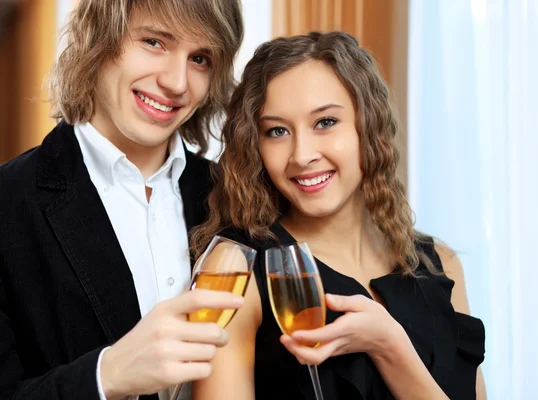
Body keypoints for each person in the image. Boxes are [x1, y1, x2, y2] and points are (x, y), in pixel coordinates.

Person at [191, 31, 486, 399]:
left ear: (368, 124)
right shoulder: (238, 269)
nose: (302, 154)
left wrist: (388, 345)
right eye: (277, 131)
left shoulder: (441, 263)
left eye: (325, 122)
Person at [0, 1, 243, 399]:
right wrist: (105, 376)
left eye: (200, 58)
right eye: (154, 42)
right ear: (97, 38)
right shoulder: (9, 203)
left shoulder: (235, 197)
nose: (177, 82)